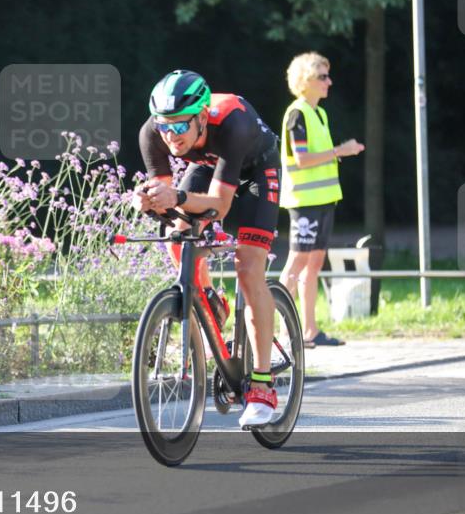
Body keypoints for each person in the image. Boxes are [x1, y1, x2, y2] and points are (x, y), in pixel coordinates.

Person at [133, 69, 282, 427]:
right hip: (209, 169)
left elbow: (221, 204)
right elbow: (168, 201)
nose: (170, 135)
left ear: (202, 117)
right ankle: (210, 300)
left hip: (258, 173)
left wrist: (178, 196)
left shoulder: (233, 123)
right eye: (164, 125)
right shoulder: (152, 133)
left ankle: (263, 385)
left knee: (248, 270)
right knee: (177, 234)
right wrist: (150, 200)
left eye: (180, 126)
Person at [277, 52, 364, 348]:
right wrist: (342, 150)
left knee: (314, 264)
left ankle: (309, 331)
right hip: (304, 201)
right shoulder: (297, 114)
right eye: (322, 76)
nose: (329, 81)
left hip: (324, 200)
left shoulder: (319, 113)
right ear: (305, 81)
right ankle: (281, 333)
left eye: (328, 75)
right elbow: (301, 159)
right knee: (296, 263)